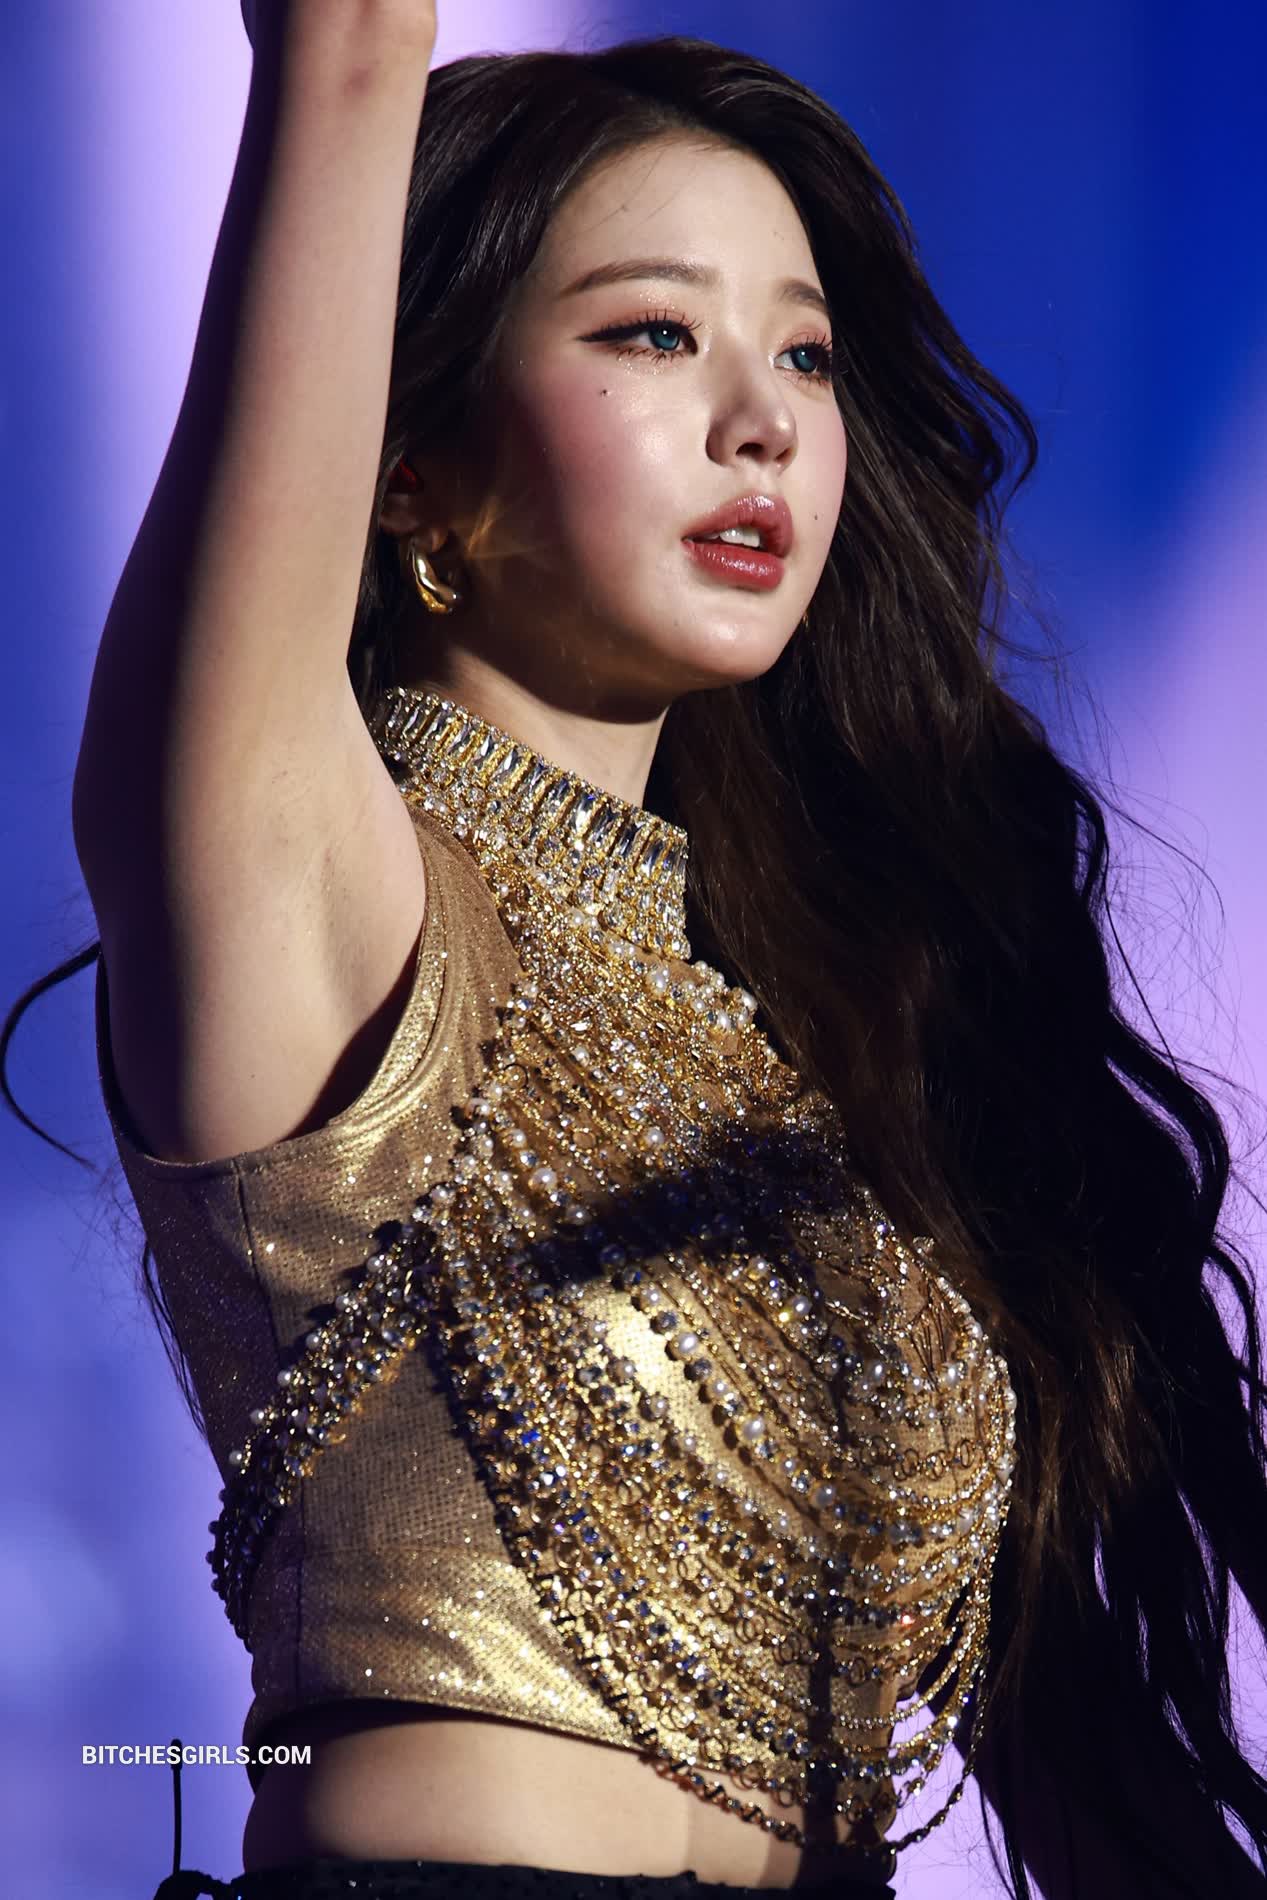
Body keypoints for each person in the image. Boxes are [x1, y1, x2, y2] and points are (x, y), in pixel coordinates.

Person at [4, 1, 1267, 1896]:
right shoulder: (310, 892)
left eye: (806, 353)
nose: (765, 418)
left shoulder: (819, 1043)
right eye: (653, 333)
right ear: (408, 466)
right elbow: (352, 41)